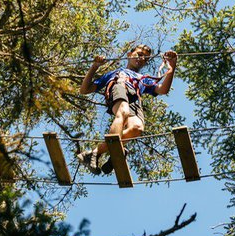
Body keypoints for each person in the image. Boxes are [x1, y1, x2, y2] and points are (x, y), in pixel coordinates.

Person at [76, 44, 178, 173]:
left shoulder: (144, 79)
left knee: (137, 128)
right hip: (120, 86)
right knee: (122, 112)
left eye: (145, 58)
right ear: (129, 55)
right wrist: (94, 67)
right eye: (139, 54)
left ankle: (95, 152)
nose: (142, 59)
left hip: (135, 101)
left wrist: (172, 67)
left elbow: (163, 89)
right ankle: (116, 150)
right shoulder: (116, 72)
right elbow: (84, 90)